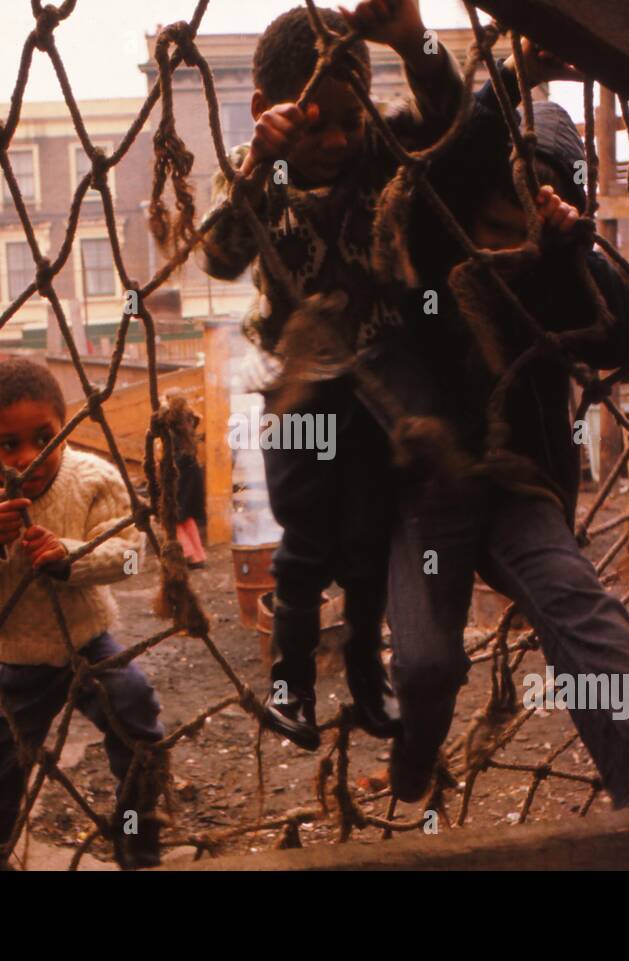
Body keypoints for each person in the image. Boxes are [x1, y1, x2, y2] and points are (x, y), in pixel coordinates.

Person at [384, 79, 629, 807]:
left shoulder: (552, 267)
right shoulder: (435, 242)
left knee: (578, 600)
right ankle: (414, 755)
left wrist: (570, 250)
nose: (507, 238)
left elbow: (620, 342)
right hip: (422, 493)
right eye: (497, 215)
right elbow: (431, 154)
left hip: (515, 486)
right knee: (425, 664)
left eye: (525, 221)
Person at [199, 0, 464, 751]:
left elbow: (447, 114)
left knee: (369, 535)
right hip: (302, 386)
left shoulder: (381, 149)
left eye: (349, 119)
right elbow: (218, 254)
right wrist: (256, 164)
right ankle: (290, 686)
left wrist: (414, 42)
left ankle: (365, 674)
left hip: (379, 382)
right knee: (305, 541)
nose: (336, 139)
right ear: (267, 113)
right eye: (314, 122)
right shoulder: (262, 176)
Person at [0, 358, 165, 869]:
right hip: (4, 661)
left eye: (43, 438)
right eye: (9, 445)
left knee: (137, 711)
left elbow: (129, 554)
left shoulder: (92, 480)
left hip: (85, 643)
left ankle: (136, 842)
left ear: (66, 427)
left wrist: (69, 556)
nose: (29, 458)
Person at [165, 393, 208, 568]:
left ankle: (188, 554)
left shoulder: (170, 421)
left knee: (172, 517)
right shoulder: (190, 419)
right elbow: (198, 417)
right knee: (186, 516)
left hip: (180, 473)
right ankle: (199, 556)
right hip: (193, 472)